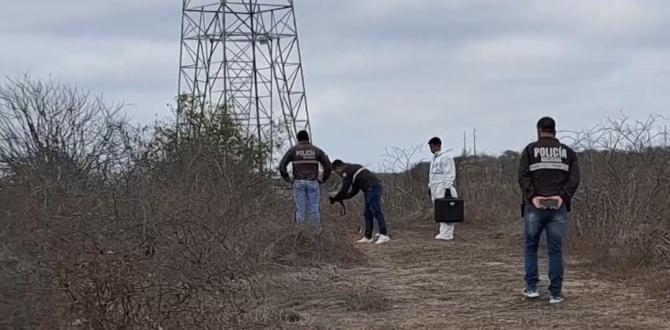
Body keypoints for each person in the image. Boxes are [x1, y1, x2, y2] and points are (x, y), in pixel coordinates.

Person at [518, 117, 580, 304]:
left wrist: (533, 196)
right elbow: (574, 178)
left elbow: (522, 176)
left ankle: (531, 289)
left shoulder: (530, 150)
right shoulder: (567, 153)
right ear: (555, 130)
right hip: (557, 208)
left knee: (531, 247)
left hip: (534, 207)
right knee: (555, 250)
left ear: (539, 130)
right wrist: (562, 196)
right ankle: (555, 294)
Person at [278, 130, 332, 229]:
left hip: (298, 182)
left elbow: (282, 166)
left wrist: (288, 179)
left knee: (300, 209)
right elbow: (328, 166)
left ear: (298, 139)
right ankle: (315, 233)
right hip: (313, 182)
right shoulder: (317, 150)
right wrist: (323, 179)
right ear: (308, 138)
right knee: (314, 209)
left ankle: (301, 233)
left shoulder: (293, 150)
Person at [328, 160, 390, 244]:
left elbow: (344, 189)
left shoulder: (346, 171)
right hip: (370, 189)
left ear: (339, 167)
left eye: (336, 171)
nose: (337, 174)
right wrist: (341, 198)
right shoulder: (352, 170)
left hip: (373, 187)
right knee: (367, 213)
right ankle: (368, 237)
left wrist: (335, 198)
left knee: (377, 211)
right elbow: (354, 192)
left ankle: (384, 234)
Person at [427, 137, 459, 240]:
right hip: (435, 187)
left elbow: (449, 173)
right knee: (439, 210)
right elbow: (433, 175)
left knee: (446, 210)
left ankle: (447, 233)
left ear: (437, 145)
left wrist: (447, 188)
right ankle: (443, 232)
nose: (431, 149)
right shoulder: (435, 158)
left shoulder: (446, 157)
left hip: (443, 187)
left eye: (432, 147)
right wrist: (429, 187)